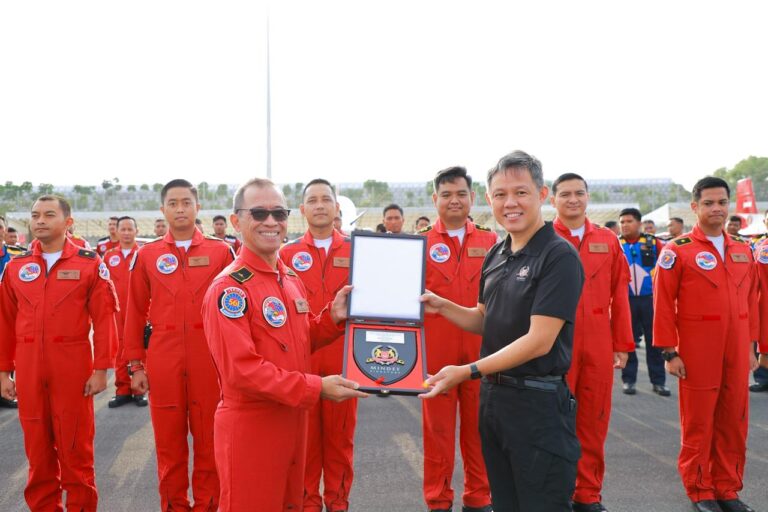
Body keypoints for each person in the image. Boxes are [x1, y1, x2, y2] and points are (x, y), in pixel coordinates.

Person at [420, 150, 584, 512]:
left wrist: (467, 371)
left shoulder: (558, 256)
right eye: (500, 194)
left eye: (521, 192)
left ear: (542, 195)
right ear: (490, 199)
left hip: (537, 405)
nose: (510, 203)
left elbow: (539, 340)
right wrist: (443, 305)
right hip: (495, 403)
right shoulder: (497, 253)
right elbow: (484, 319)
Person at [202, 177, 366, 511]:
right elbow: (242, 371)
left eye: (279, 213)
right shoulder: (230, 289)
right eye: (259, 213)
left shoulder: (288, 279)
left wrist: (332, 319)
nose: (271, 222)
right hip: (253, 426)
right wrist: (315, 387)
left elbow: (299, 340)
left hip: (292, 421)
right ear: (236, 221)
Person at [0, 195, 118, 511]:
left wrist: (101, 369)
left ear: (68, 222)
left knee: (76, 452)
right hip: (28, 369)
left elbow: (105, 319)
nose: (40, 220)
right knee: (37, 454)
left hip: (73, 367)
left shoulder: (89, 262)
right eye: (35, 215)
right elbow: (5, 322)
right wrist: (3, 371)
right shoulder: (16, 267)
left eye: (49, 215)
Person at [123, 179, 235, 511]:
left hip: (209, 363)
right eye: (173, 203)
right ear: (163, 210)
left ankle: (209, 506)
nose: (180, 208)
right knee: (169, 448)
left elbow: (237, 310)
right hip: (164, 361)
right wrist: (135, 364)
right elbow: (133, 313)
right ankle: (173, 506)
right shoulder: (148, 254)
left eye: (186, 202)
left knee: (210, 446)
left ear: (197, 207)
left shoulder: (221, 252)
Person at [653, 176, 759, 512]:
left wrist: (752, 347)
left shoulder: (743, 250)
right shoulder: (678, 251)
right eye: (709, 203)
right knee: (699, 421)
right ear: (695, 207)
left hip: (737, 349)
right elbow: (663, 303)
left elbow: (753, 302)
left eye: (722, 202)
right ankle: (700, 489)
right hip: (698, 350)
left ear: (729, 205)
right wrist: (669, 351)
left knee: (734, 419)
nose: (716, 209)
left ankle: (727, 488)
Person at [551, 173, 634, 512]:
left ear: (588, 197)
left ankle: (588, 494)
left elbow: (620, 293)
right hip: (554, 339)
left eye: (579, 193)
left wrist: (623, 343)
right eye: (565, 194)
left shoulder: (607, 240)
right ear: (552, 199)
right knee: (554, 419)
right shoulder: (542, 237)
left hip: (599, 338)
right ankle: (556, 494)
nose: (573, 200)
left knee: (594, 419)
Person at [419, 166, 496, 512]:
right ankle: (438, 500)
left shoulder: (492, 241)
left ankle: (479, 499)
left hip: (484, 351)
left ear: (472, 198)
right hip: (435, 352)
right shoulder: (419, 243)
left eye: (461, 194)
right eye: (446, 194)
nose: (454, 200)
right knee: (437, 434)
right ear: (435, 199)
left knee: (481, 431)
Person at [278, 178, 357, 512]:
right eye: (313, 200)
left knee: (340, 444)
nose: (321, 205)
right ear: (302, 210)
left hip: (346, 361)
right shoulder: (285, 254)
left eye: (327, 199)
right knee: (304, 447)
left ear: (337, 207)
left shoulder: (359, 251)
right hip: (302, 364)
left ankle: (338, 504)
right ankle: (307, 505)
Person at [618, 208, 669, 396]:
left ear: (639, 223)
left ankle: (659, 382)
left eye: (629, 221)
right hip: (626, 301)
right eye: (622, 222)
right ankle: (629, 380)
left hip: (650, 301)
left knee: (654, 343)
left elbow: (667, 270)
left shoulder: (654, 243)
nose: (624, 225)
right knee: (628, 342)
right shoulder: (616, 243)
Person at [104, 216, 147, 408]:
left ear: (137, 231)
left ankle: (139, 389)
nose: (127, 233)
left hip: (140, 310)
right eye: (124, 229)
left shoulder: (144, 254)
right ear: (117, 232)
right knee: (119, 349)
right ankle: (122, 390)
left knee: (138, 346)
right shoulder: (108, 256)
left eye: (131, 229)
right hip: (117, 311)